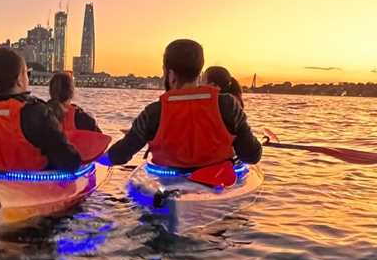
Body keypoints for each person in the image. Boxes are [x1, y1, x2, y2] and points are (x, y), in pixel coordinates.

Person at [103, 39, 262, 168]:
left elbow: (119, 155)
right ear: (199, 73)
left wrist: (93, 160)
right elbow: (251, 156)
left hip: (167, 185)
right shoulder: (228, 105)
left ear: (170, 74)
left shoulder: (153, 112)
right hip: (218, 184)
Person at [0, 47, 81, 171]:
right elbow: (69, 161)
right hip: (38, 182)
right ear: (19, 80)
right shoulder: (36, 113)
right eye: (27, 73)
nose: (28, 78)